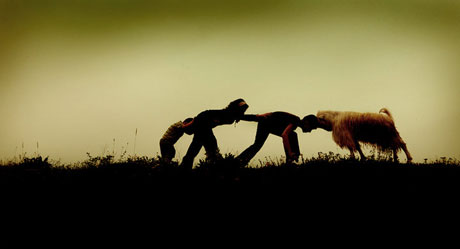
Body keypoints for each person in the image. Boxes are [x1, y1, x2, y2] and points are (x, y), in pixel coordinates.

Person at [181, 98, 249, 168]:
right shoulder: (228, 113)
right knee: (202, 146)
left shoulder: (233, 116)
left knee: (204, 147)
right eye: (242, 110)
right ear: (236, 108)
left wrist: (258, 117)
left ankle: (213, 164)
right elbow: (241, 107)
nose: (243, 112)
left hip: (205, 125)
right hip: (202, 121)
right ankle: (215, 165)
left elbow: (248, 117)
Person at [237, 112, 318, 165]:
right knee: (257, 145)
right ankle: (239, 161)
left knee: (293, 135)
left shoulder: (295, 121)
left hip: (269, 123)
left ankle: (291, 159)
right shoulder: (295, 121)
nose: (310, 131)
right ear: (307, 123)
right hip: (266, 124)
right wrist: (289, 153)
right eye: (311, 128)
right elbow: (284, 135)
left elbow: (277, 113)